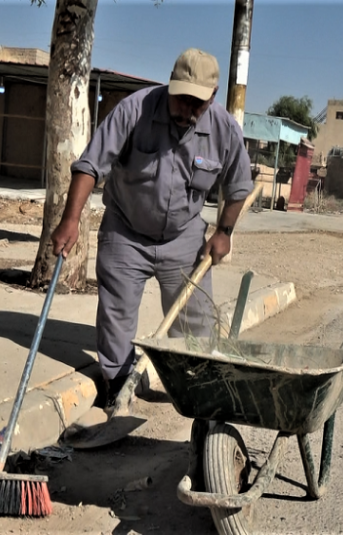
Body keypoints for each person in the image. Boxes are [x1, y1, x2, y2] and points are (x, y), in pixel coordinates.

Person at [51, 48, 254, 412]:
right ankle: (119, 384)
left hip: (185, 237)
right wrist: (70, 220)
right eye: (182, 98)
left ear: (213, 95)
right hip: (126, 231)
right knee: (117, 313)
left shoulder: (224, 129)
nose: (187, 109)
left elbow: (238, 187)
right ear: (170, 84)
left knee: (195, 322)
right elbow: (89, 165)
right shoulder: (135, 110)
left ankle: (193, 385)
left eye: (198, 103)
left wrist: (224, 232)